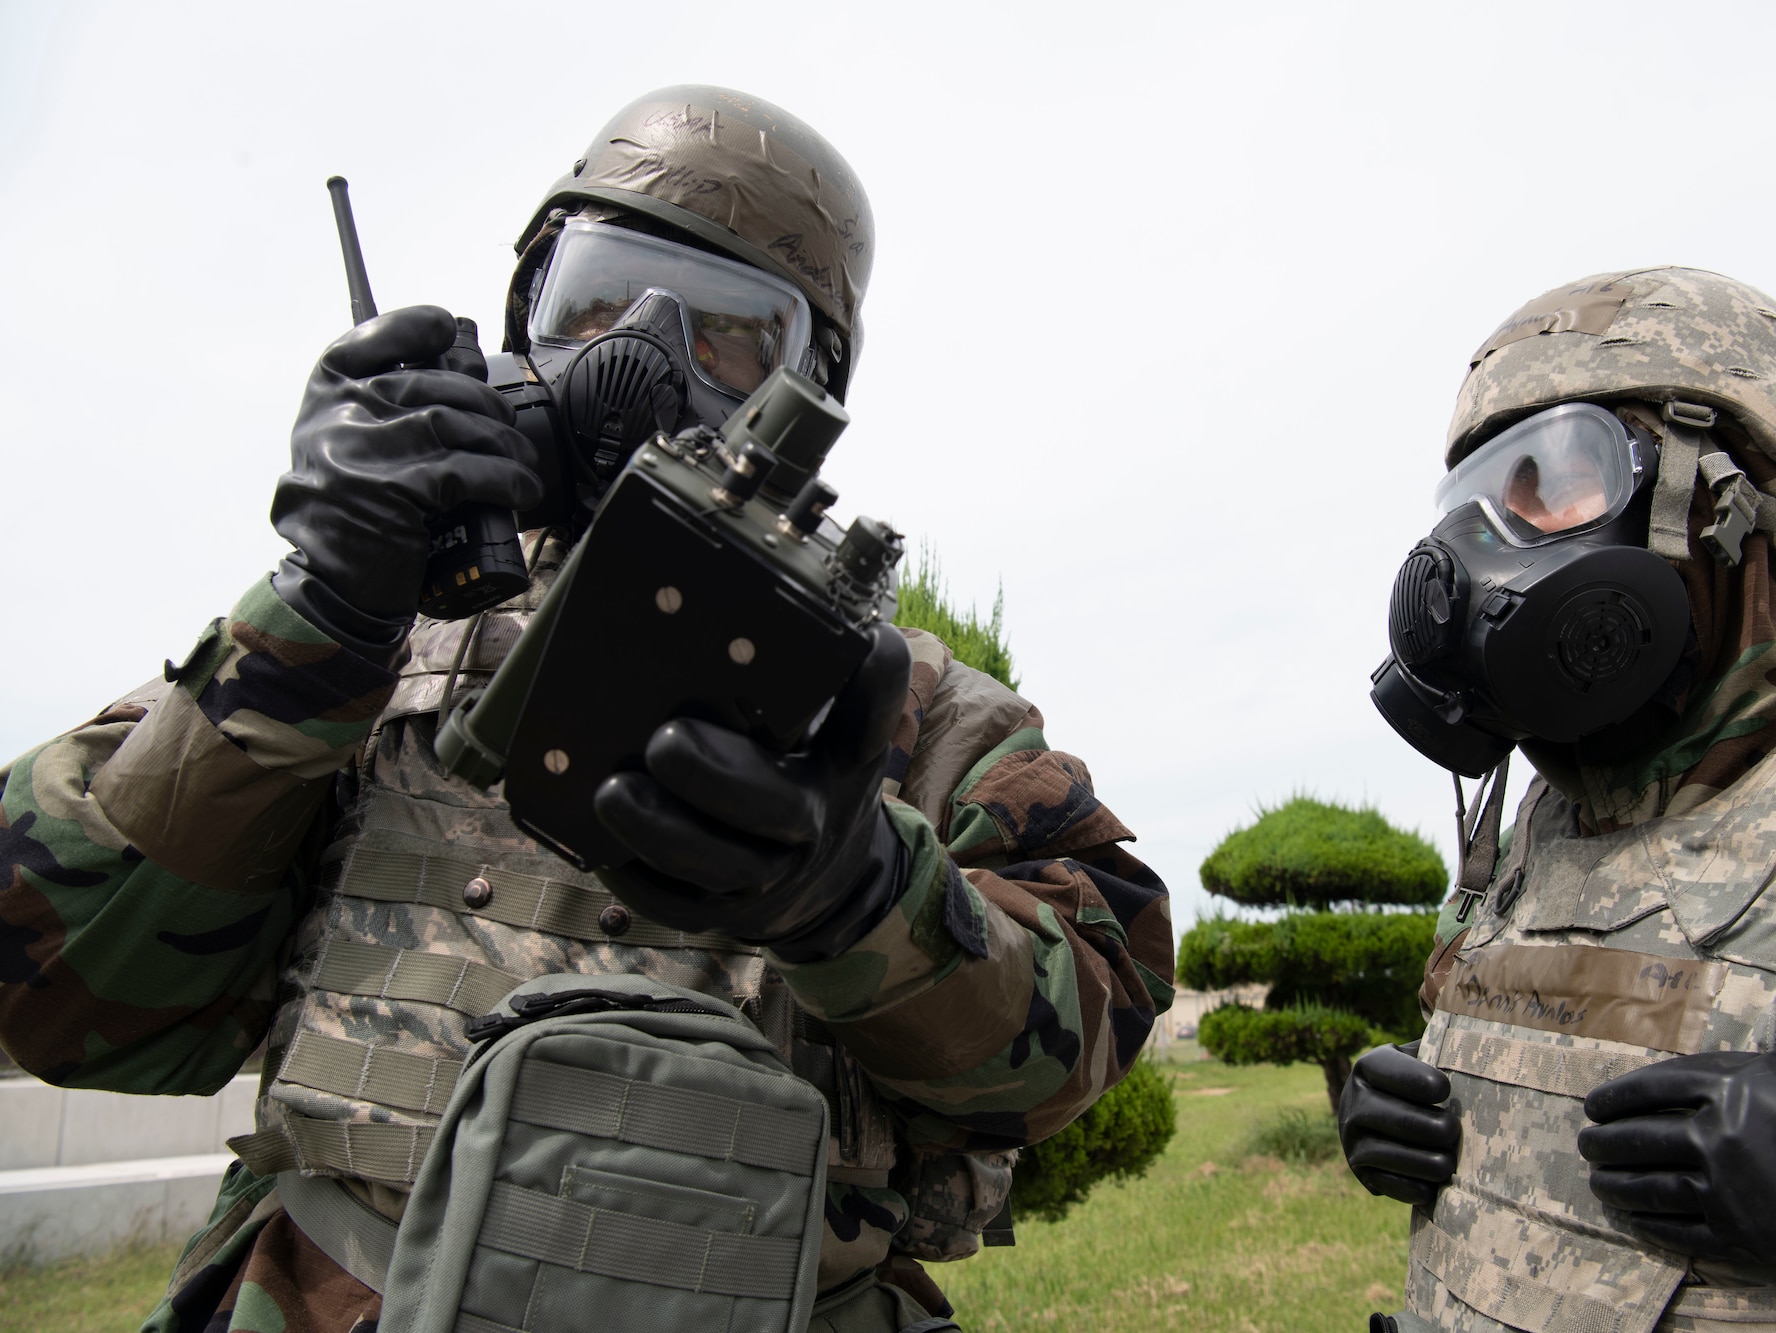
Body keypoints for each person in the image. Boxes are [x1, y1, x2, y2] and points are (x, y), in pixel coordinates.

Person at [0, 85, 1174, 1333]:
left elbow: (1089, 1024)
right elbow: (52, 985)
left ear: (807, 394)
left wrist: (859, 894)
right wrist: (317, 613)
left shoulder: (913, 704)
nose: (644, 350)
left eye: (730, 333)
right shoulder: (370, 637)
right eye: (599, 299)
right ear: (526, 314)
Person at [1343, 267, 1776, 1332]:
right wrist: (1418, 1088)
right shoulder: (1539, 826)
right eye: (1464, 506)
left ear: (1737, 501)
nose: (1468, 559)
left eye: (1549, 477)